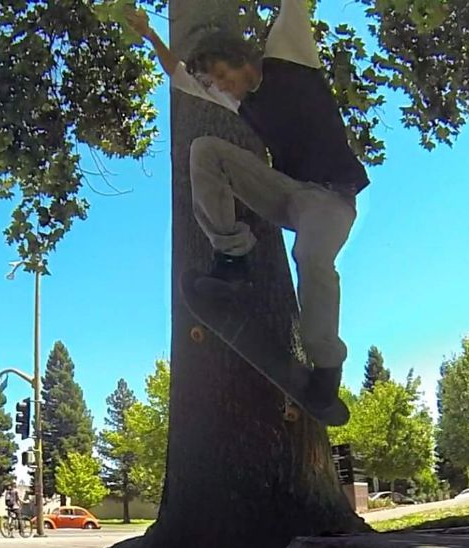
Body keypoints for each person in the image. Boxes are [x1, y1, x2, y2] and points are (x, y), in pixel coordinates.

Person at [128, 2, 369, 415]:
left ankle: (327, 368)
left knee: (310, 257)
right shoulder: (235, 99)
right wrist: (150, 35)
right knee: (205, 150)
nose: (224, 87)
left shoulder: (289, 52)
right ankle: (232, 263)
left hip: (332, 201)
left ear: (242, 59)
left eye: (225, 76)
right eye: (216, 83)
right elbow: (179, 75)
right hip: (289, 195)